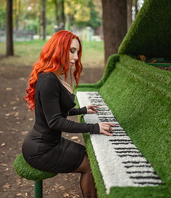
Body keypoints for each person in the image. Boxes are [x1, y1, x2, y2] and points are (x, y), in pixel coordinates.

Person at [22, 30, 114, 198]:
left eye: (77, 52)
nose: (76, 57)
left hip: (51, 142)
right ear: (58, 49)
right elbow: (55, 121)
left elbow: (56, 109)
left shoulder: (53, 76)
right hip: (41, 149)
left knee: (91, 158)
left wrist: (83, 110)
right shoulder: (49, 80)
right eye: (72, 51)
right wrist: (94, 127)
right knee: (91, 165)